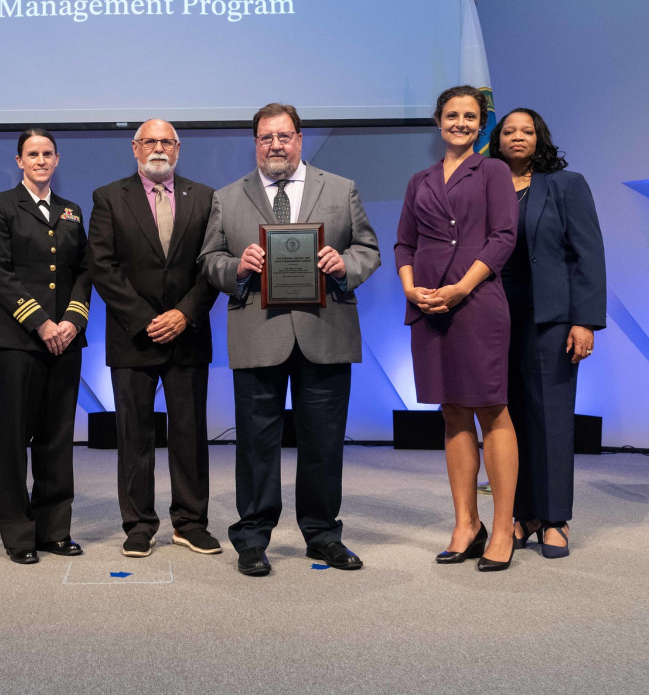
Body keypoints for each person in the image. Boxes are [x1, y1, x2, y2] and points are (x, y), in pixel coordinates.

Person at [199, 103, 381, 577]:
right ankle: (252, 539)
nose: (275, 145)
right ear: (255, 144)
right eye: (266, 138)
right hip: (257, 332)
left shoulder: (340, 188)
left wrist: (345, 265)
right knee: (255, 444)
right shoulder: (227, 197)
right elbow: (209, 260)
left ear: (299, 139)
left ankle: (323, 536)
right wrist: (237, 268)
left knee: (324, 443)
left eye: (284, 136)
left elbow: (367, 248)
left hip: (325, 330)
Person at [395, 86, 519, 571]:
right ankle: (467, 523)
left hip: (478, 302)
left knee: (491, 408)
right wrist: (411, 289)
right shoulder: (419, 179)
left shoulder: (493, 171)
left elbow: (503, 237)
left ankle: (503, 527)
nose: (461, 123)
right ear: (438, 121)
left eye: (470, 116)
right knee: (451, 411)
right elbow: (404, 244)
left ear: (481, 124)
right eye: (452, 115)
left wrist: (461, 288)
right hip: (429, 306)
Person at [88, 119, 220, 559]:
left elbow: (213, 265)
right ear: (135, 148)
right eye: (150, 141)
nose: (158, 148)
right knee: (134, 438)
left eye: (166, 141)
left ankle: (190, 523)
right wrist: (146, 320)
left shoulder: (206, 197)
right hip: (133, 337)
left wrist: (184, 314)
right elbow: (102, 267)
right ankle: (139, 525)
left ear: (178, 148)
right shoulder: (108, 197)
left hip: (187, 334)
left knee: (190, 435)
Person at [491, 108, 606, 559]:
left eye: (527, 130)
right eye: (509, 131)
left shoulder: (566, 185)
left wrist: (585, 320)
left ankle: (555, 517)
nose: (517, 137)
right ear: (497, 139)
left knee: (551, 418)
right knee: (509, 418)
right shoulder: (486, 185)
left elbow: (588, 254)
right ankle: (525, 515)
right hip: (495, 317)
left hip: (552, 318)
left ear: (540, 138)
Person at [0, 129, 91, 565]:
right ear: (19, 161)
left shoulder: (72, 210)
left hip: (66, 340)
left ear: (57, 159)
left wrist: (73, 320)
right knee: (13, 440)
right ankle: (19, 535)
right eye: (32, 154)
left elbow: (84, 270)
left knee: (57, 437)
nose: (41, 160)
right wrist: (40, 322)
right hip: (18, 341)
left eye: (47, 153)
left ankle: (54, 530)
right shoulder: (0, 205)